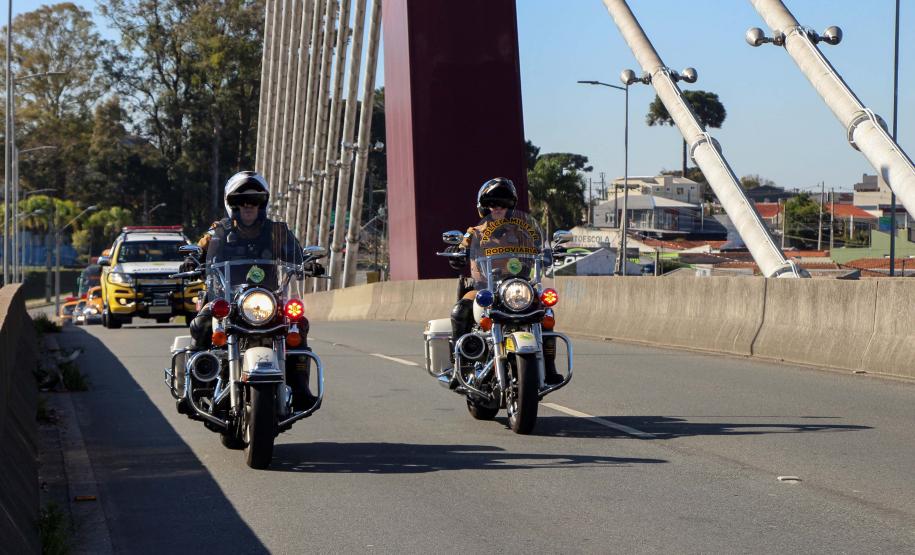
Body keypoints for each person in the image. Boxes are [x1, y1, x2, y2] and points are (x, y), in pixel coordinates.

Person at [183, 171, 323, 410]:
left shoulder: (277, 232)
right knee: (202, 323)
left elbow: (295, 252)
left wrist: (306, 262)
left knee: (298, 324)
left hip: (268, 299)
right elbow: (199, 250)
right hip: (226, 298)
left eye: (255, 201)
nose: (248, 206)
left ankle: (300, 388)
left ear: (263, 204)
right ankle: (195, 388)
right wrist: (192, 260)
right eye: (241, 201)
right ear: (231, 204)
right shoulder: (218, 231)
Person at [448, 177, 562, 386]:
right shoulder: (475, 231)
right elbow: (462, 245)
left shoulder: (522, 230)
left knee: (546, 313)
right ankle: (460, 366)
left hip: (519, 287)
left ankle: (549, 365)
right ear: (484, 207)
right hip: (485, 287)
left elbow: (540, 246)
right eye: (493, 204)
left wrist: (550, 253)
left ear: (510, 206)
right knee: (460, 310)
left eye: (503, 204)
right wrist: (457, 252)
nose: (498, 208)